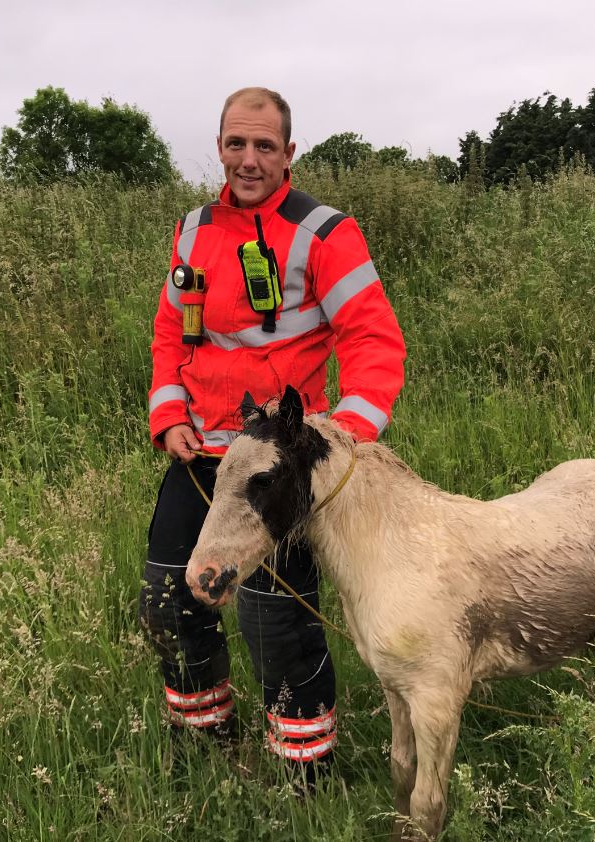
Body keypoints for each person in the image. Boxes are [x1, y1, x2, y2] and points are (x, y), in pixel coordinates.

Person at [139, 87, 405, 782]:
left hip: (280, 467)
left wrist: (335, 444)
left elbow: (375, 344)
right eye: (235, 144)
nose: (248, 159)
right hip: (204, 457)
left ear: (289, 152)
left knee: (271, 622)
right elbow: (170, 334)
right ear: (219, 146)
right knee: (170, 597)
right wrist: (168, 413)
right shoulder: (192, 228)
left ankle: (304, 774)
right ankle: (206, 748)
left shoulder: (324, 232)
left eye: (264, 146)